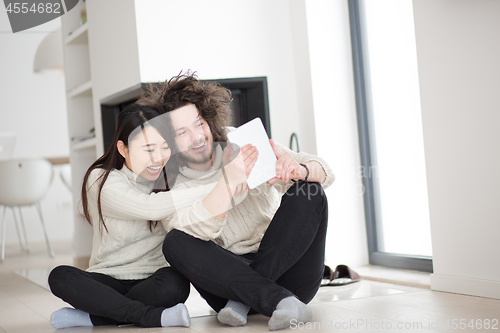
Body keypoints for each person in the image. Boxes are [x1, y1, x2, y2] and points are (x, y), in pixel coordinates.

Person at [138, 73, 335, 330]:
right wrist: (228, 184)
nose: (197, 137)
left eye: (199, 124)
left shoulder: (238, 140)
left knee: (310, 192)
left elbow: (326, 173)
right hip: (227, 285)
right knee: (175, 242)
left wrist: (300, 170)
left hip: (287, 279)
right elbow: (195, 234)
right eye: (182, 132)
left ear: (209, 120)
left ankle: (253, 300)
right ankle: (275, 300)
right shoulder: (169, 184)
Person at [48, 103, 257, 328]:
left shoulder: (174, 177)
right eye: (148, 150)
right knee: (60, 276)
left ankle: (95, 317)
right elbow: (151, 207)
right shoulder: (101, 180)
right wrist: (226, 182)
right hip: (107, 278)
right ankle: (151, 316)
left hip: (155, 279)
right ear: (123, 148)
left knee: (176, 284)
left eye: (164, 147)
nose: (158, 158)